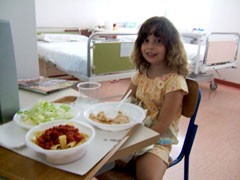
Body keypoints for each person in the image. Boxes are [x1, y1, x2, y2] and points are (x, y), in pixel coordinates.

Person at [122, 16, 189, 180]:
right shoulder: (140, 74)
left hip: (158, 140)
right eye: (146, 40)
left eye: (158, 41)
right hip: (131, 132)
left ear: (171, 46)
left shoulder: (175, 82)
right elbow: (123, 106)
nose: (150, 46)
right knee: (96, 163)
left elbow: (162, 125)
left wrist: (132, 145)